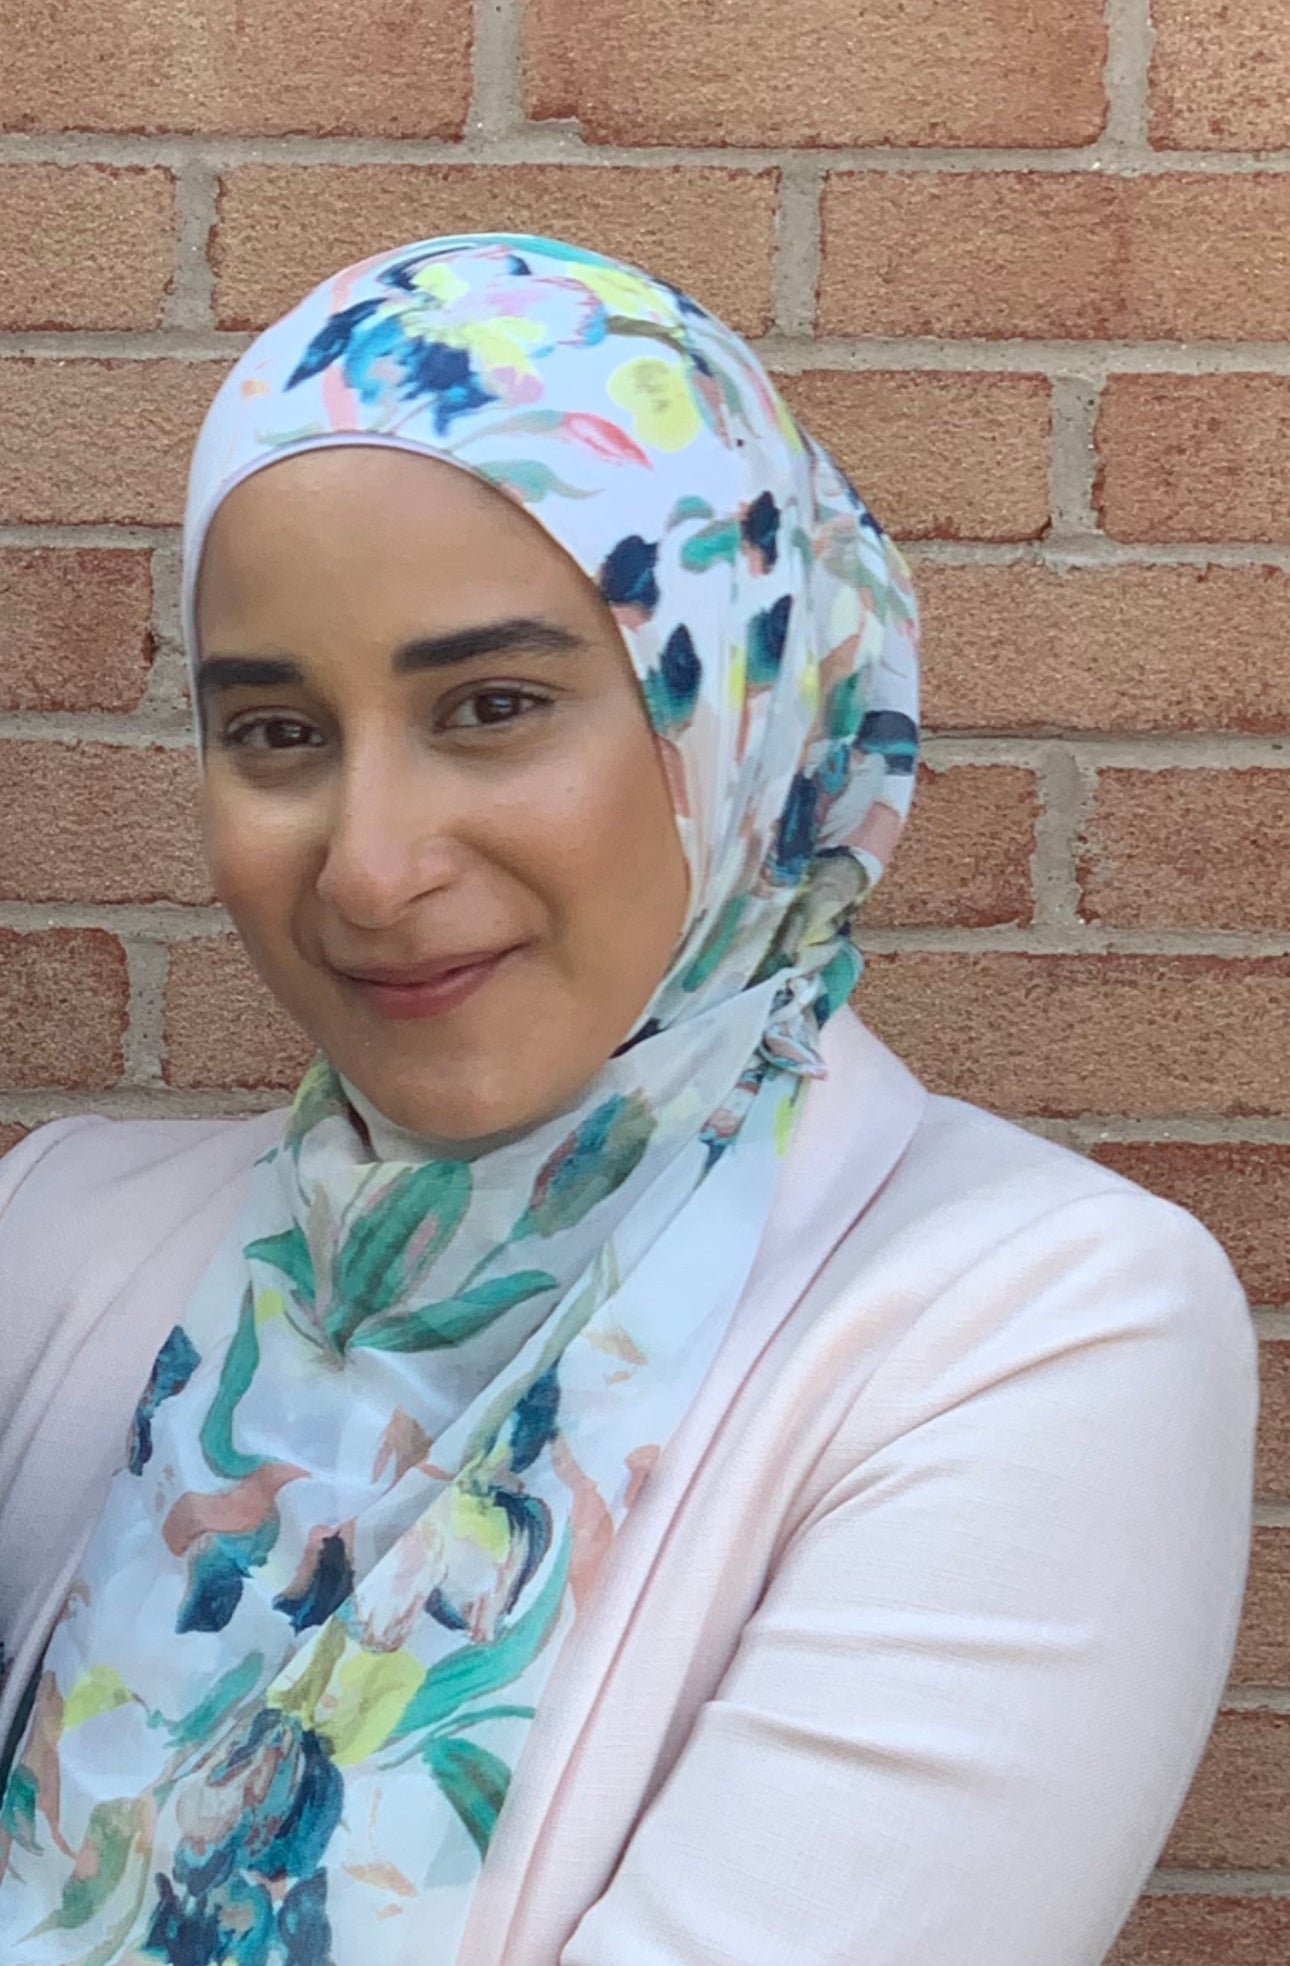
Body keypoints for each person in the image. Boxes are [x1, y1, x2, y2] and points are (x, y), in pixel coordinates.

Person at [0, 235, 1255, 1966]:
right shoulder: (64, 1247)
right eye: (277, 732)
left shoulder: (1031, 1329)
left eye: (491, 706)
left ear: (739, 717)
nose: (368, 867)